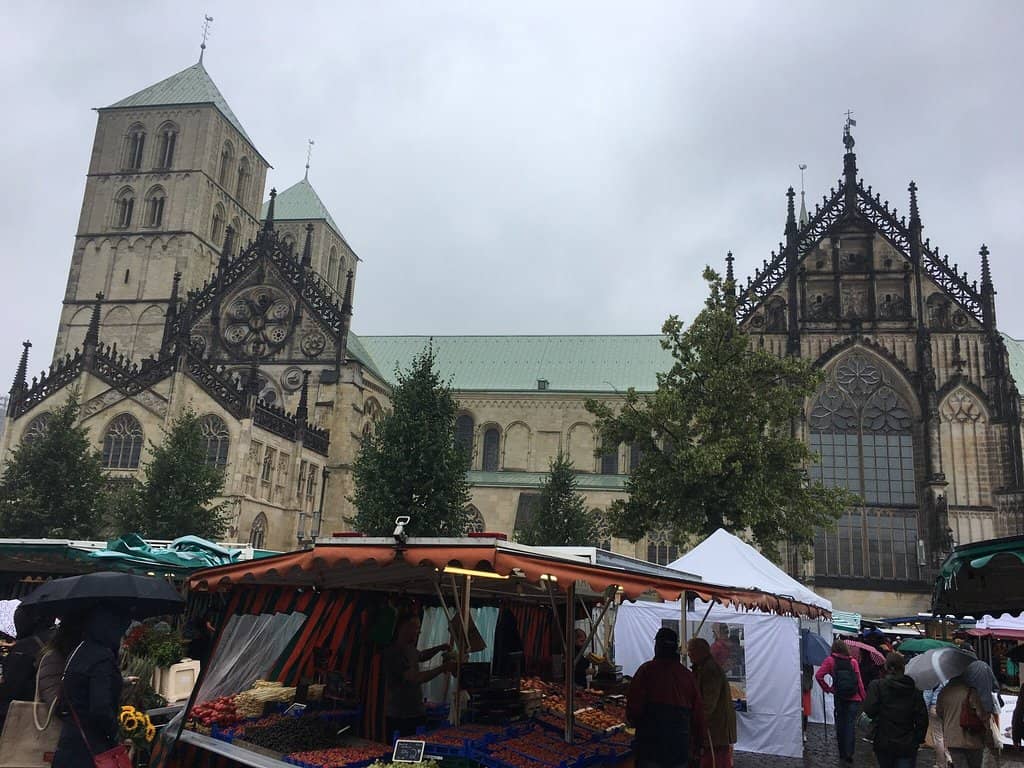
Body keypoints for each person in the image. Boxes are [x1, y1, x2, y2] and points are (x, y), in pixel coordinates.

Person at [52, 606, 131, 768]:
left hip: (68, 742)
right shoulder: (102, 659)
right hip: (92, 749)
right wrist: (115, 731)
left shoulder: (77, 651)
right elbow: (100, 708)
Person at [626, 627, 707, 768]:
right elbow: (698, 715)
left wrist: (635, 723)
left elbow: (634, 709)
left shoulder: (646, 671)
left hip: (650, 746)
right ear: (675, 648)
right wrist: (699, 743)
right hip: (679, 746)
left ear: (657, 646)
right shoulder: (687, 676)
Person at [382, 614, 454, 740]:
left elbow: (421, 656)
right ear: (404, 628)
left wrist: (440, 648)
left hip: (416, 712)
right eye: (416, 627)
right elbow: (416, 678)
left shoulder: (410, 648)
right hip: (401, 715)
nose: (419, 631)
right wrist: (443, 668)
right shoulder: (394, 652)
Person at [862, 652, 928, 768]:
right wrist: (917, 740)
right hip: (907, 743)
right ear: (903, 667)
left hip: (883, 740)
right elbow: (922, 718)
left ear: (886, 667)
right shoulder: (914, 690)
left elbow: (869, 710)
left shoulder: (877, 686)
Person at [815, 637, 867, 764]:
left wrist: (828, 689)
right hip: (854, 698)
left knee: (840, 724)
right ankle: (849, 753)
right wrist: (863, 697)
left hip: (839, 697)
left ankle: (842, 752)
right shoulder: (853, 662)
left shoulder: (830, 661)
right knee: (850, 725)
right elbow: (859, 681)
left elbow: (819, 676)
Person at [687, 638, 737, 768]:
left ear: (701, 651)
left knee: (716, 761)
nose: (688, 654)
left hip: (716, 730)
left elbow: (708, 704)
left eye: (691, 650)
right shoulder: (704, 667)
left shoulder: (710, 670)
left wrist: (695, 723)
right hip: (714, 730)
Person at [0, 610, 53, 729]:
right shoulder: (57, 641)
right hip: (48, 714)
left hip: (19, 718)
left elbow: (12, 689)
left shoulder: (24, 648)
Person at [935, 676, 985, 768]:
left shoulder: (943, 692)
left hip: (952, 738)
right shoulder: (970, 691)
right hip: (972, 738)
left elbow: (939, 712)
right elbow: (980, 714)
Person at [922, 682, 950, 768]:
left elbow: (927, 695)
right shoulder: (949, 675)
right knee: (948, 735)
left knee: (938, 738)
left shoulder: (932, 677)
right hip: (949, 707)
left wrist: (924, 713)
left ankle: (941, 763)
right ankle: (950, 758)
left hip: (935, 706)